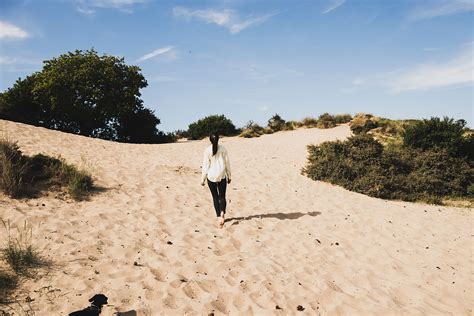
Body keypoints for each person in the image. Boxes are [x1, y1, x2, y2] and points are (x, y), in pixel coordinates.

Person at [201, 133, 231, 228]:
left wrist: (203, 179)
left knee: (215, 197)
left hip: (211, 176)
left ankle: (219, 217)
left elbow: (205, 166)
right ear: (218, 139)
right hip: (222, 175)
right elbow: (227, 163)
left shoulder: (207, 150)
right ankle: (222, 212)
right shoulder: (223, 149)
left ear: (210, 140)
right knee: (222, 197)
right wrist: (229, 176)